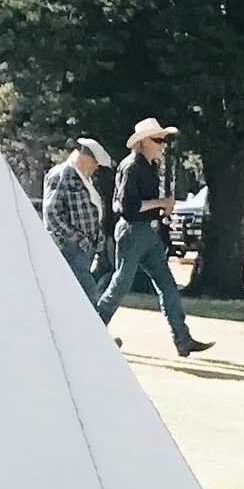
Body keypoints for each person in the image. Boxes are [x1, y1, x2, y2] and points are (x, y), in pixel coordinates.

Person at [98, 116, 210, 358]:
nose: (163, 144)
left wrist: (162, 214)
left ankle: (182, 339)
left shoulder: (149, 166)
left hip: (148, 233)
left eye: (163, 139)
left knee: (167, 285)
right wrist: (161, 203)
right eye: (158, 139)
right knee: (120, 285)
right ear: (144, 142)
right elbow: (127, 207)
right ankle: (93, 329)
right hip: (132, 233)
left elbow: (145, 206)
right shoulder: (131, 166)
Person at [41, 137, 113, 310]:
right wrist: (72, 235)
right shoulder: (61, 175)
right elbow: (51, 212)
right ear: (84, 157)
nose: (96, 167)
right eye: (95, 162)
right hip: (70, 246)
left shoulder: (84, 178)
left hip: (84, 246)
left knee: (74, 295)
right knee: (89, 294)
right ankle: (96, 334)